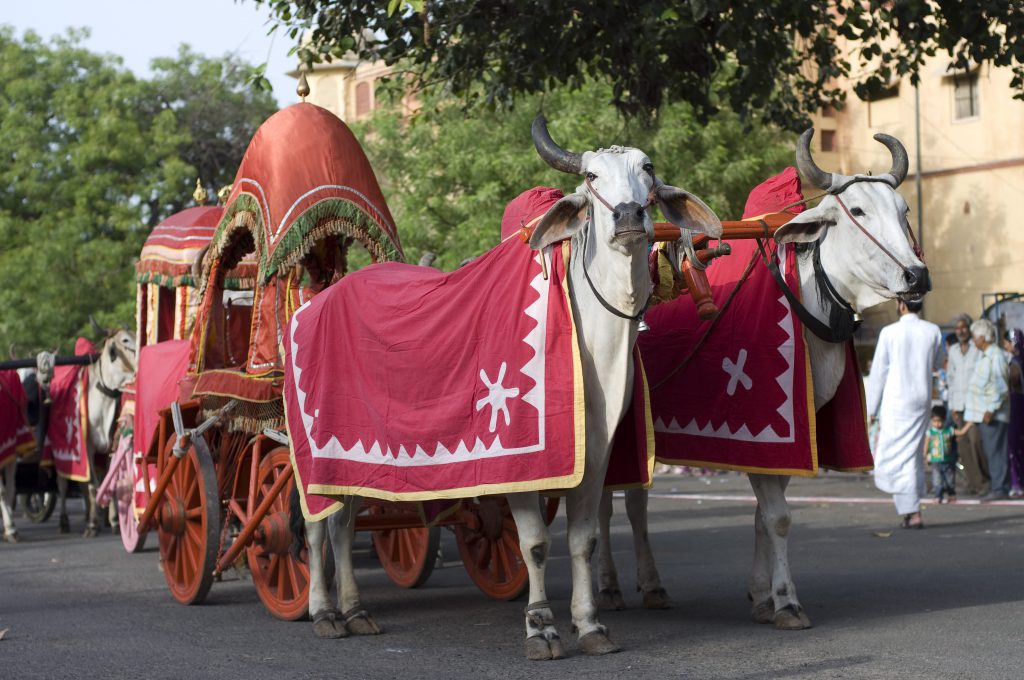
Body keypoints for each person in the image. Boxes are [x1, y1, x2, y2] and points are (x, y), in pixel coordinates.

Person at [867, 299, 943, 529]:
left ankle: (912, 511)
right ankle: (911, 509)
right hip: (921, 399)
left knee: (898, 456)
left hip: (897, 401)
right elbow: (938, 363)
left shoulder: (890, 332)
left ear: (901, 305)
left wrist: (871, 408)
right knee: (911, 454)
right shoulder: (933, 330)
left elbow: (878, 372)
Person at [964, 318, 1011, 501]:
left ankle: (1000, 488)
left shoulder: (996, 355)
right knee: (990, 452)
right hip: (984, 414)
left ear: (983, 337)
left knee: (996, 451)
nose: (973, 341)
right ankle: (997, 485)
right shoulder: (985, 355)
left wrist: (991, 409)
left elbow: (1001, 387)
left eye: (975, 337)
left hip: (993, 414)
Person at [946, 314, 989, 495]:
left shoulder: (977, 349)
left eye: (964, 327)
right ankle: (973, 484)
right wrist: (952, 406)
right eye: (958, 328)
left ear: (969, 329)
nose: (960, 331)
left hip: (975, 405)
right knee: (963, 446)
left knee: (975, 442)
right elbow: (951, 379)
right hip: (958, 405)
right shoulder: (954, 350)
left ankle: (985, 482)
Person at [923, 405, 957, 503]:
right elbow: (926, 444)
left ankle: (951, 495)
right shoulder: (930, 432)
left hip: (947, 460)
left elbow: (960, 432)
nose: (937, 424)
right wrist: (925, 455)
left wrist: (968, 425)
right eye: (934, 421)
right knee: (937, 480)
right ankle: (938, 496)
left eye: (940, 421)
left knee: (949, 480)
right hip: (935, 461)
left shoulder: (948, 431)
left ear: (944, 420)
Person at [1006, 329, 1024, 497]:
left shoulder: (1015, 363)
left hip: (1017, 407)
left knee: (1015, 445)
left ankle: (1017, 483)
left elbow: (1014, 381)